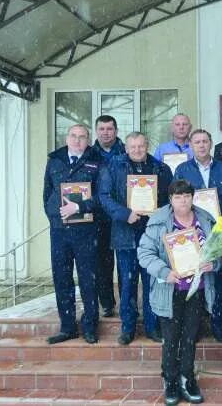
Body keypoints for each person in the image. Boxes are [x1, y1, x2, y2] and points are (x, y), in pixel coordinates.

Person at [138, 180, 218, 405]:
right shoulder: (159, 222)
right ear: (170, 200)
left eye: (186, 196)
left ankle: (187, 378)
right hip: (170, 289)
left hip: (197, 289)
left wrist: (214, 264)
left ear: (193, 198)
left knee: (190, 336)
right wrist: (165, 272)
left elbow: (218, 252)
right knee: (171, 338)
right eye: (177, 197)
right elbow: (145, 253)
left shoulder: (205, 219)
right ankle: (171, 380)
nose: (183, 201)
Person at [99, 132, 173, 345]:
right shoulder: (113, 166)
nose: (137, 150)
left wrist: (159, 213)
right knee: (127, 283)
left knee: (152, 282)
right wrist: (125, 214)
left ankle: (153, 327)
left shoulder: (160, 168)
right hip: (126, 234)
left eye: (141, 146)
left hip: (153, 235)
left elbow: (171, 198)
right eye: (133, 146)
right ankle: (128, 328)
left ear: (147, 145)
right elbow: (104, 197)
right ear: (126, 147)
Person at [174, 128, 222, 343]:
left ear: (211, 144)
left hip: (218, 230)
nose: (201, 145)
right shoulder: (183, 169)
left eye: (204, 141)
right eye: (197, 142)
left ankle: (219, 324)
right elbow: (176, 196)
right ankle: (197, 325)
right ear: (190, 146)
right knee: (196, 276)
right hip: (192, 229)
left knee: (218, 278)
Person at [42, 124, 102, 344]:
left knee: (88, 279)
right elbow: (47, 193)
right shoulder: (55, 160)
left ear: (88, 140)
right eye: (73, 136)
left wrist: (79, 208)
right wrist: (54, 216)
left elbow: (101, 196)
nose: (77, 141)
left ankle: (89, 326)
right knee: (62, 278)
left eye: (82, 137)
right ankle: (67, 327)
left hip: (85, 230)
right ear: (67, 138)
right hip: (59, 231)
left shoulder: (97, 161)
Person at [92, 114, 125, 318]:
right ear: (96, 131)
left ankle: (126, 303)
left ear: (116, 131)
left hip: (123, 216)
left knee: (125, 264)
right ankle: (106, 303)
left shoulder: (126, 151)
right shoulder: (89, 154)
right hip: (97, 217)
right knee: (102, 263)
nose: (106, 132)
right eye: (102, 129)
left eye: (109, 129)